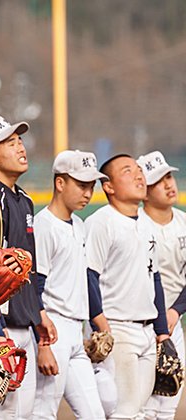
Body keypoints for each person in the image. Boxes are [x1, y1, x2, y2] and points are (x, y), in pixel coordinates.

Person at [0, 115, 57, 418]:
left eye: (19, 140)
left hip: (23, 322)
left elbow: (29, 272)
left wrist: (40, 315)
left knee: (23, 412)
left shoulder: (23, 199)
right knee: (4, 413)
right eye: (10, 142)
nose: (20, 146)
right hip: (2, 326)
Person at [85, 153, 170, 420]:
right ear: (108, 186)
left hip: (147, 331)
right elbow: (89, 276)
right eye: (126, 171)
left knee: (140, 411)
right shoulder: (101, 222)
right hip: (117, 328)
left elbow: (154, 278)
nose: (138, 175)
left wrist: (162, 333)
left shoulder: (147, 222)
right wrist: (101, 325)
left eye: (138, 170)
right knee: (124, 412)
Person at [30, 150, 107, 420]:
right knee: (42, 412)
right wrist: (43, 344)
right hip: (53, 328)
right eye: (82, 185)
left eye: (91, 186)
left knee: (94, 413)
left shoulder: (79, 224)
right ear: (60, 183)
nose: (88, 193)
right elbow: (35, 286)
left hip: (77, 329)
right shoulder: (43, 225)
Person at [138, 151, 186, 420]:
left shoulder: (183, 222)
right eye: (159, 181)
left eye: (169, 176)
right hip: (141, 324)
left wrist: (176, 311)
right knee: (141, 408)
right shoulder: (138, 226)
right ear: (144, 191)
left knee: (168, 405)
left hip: (172, 322)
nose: (169, 184)